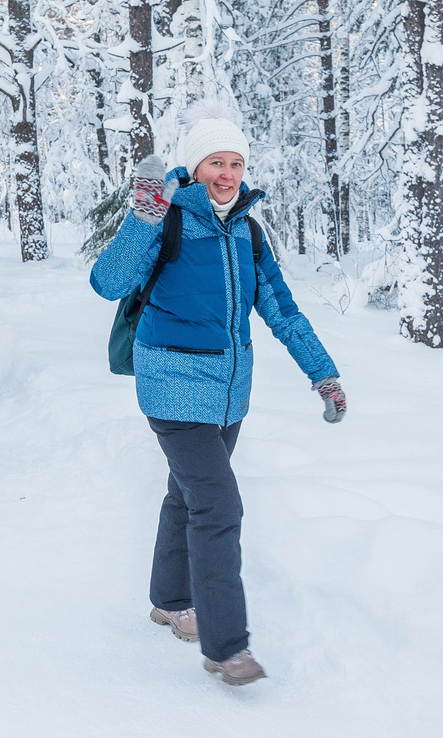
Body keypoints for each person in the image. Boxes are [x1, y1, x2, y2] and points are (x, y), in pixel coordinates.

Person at [87, 115, 347, 687]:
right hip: (172, 385)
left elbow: (281, 309)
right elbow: (108, 281)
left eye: (235, 164)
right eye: (216, 163)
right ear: (196, 167)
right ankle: (226, 647)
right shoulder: (169, 218)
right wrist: (143, 218)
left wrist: (322, 374)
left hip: (228, 394)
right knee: (219, 507)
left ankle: (168, 600)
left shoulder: (248, 233)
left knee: (185, 497)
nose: (227, 175)